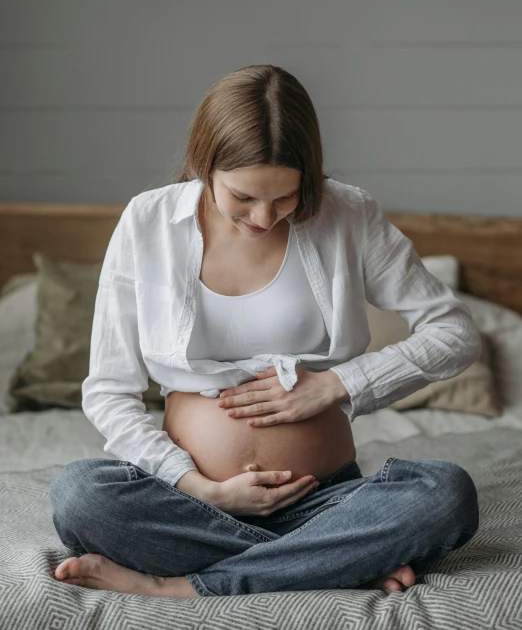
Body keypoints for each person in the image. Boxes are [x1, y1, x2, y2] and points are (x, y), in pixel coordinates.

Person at [48, 64, 481, 599]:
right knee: (80, 495)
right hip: (194, 503)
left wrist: (336, 385)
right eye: (243, 197)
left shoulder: (349, 214)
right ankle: (335, 560)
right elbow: (109, 389)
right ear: (204, 165)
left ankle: (185, 584)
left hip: (326, 503)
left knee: (444, 494)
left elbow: (455, 332)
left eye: (285, 198)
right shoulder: (147, 222)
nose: (263, 217)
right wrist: (200, 487)